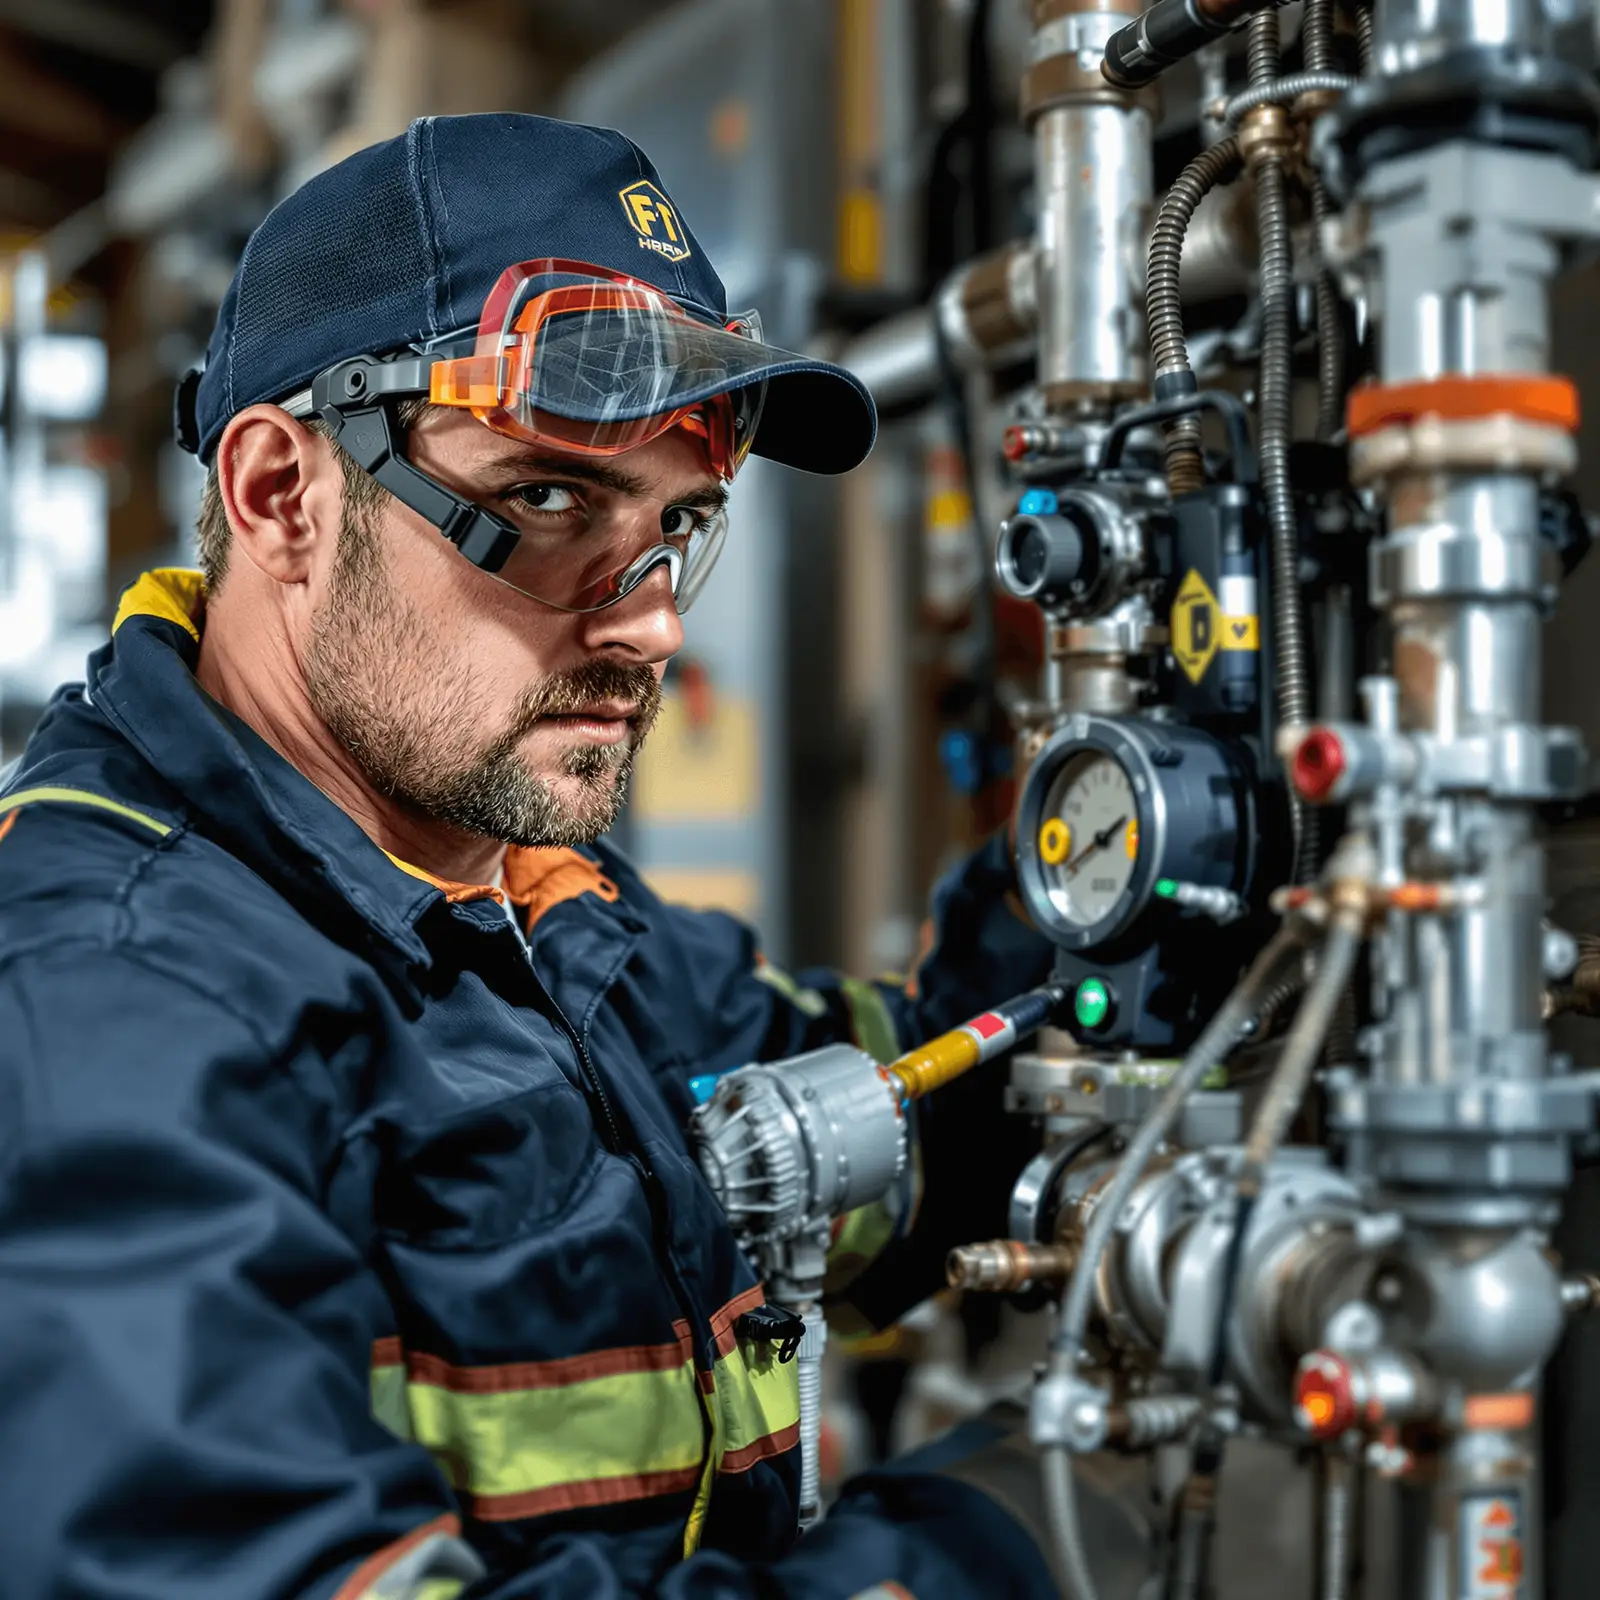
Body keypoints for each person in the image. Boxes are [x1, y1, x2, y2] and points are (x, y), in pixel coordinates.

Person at [0, 115, 1149, 1600]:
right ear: (282, 494)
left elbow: (927, 1113)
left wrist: (1099, 867)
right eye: (547, 502)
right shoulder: (103, 1012)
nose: (651, 623)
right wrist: (995, 1545)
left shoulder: (538, 908)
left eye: (677, 527)